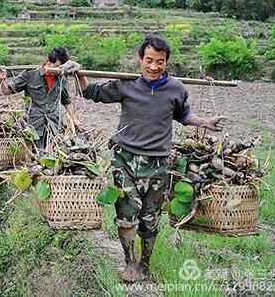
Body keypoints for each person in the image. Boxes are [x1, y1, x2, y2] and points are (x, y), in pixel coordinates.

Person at [75, 35, 226, 283]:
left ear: (167, 62)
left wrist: (204, 122)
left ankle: (145, 262)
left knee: (150, 219)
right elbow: (91, 92)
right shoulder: (126, 85)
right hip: (125, 161)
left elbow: (183, 115)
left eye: (160, 61)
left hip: (158, 165)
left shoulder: (176, 88)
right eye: (149, 60)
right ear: (140, 60)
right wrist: (78, 73)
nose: (154, 66)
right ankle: (129, 261)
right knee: (126, 215)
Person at [0, 47, 81, 150]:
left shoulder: (61, 77)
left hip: (53, 124)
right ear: (49, 62)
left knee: (52, 153)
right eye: (57, 66)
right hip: (34, 124)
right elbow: (7, 91)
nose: (59, 70)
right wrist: (1, 81)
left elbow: (66, 100)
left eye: (61, 67)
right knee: (34, 155)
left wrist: (74, 119)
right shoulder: (30, 74)